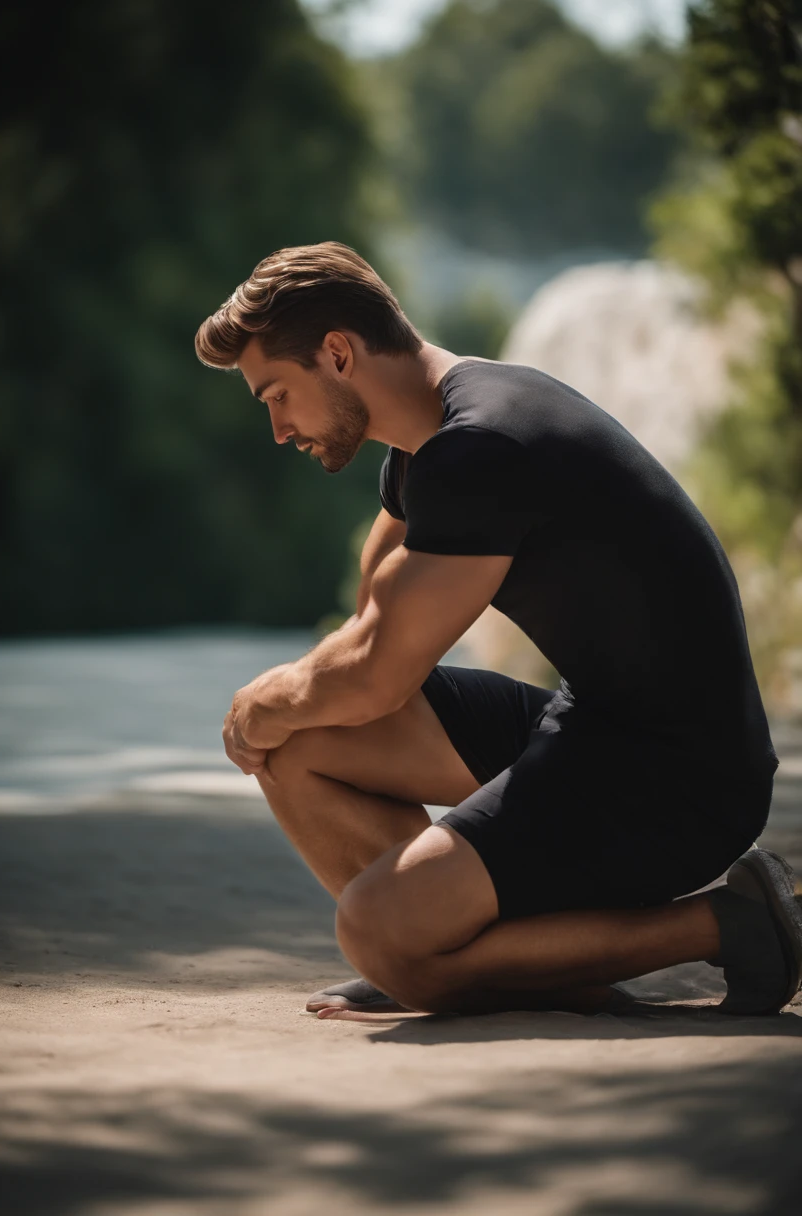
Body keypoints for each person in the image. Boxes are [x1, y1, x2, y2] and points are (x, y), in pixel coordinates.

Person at [195, 240, 801, 1021]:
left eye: (276, 394)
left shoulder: (482, 446)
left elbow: (377, 669)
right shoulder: (425, 450)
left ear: (337, 354)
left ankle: (722, 923)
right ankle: (455, 953)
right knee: (298, 737)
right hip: (593, 729)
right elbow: (371, 640)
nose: (278, 429)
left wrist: (254, 704)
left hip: (682, 782)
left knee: (373, 925)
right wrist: (281, 709)